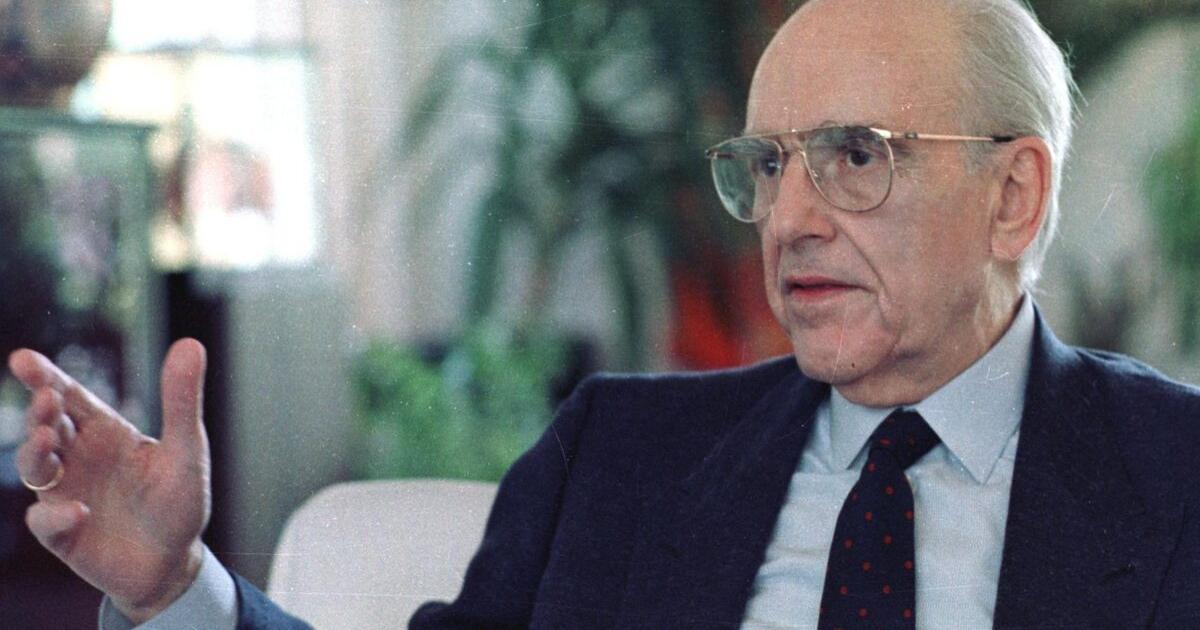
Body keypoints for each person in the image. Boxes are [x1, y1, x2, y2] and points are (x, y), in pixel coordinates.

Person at [10, 0, 1200, 627]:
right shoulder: (620, 457)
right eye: (767, 165)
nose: (788, 219)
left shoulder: (1178, 476)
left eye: (854, 155)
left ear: (1011, 195)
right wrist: (175, 592)